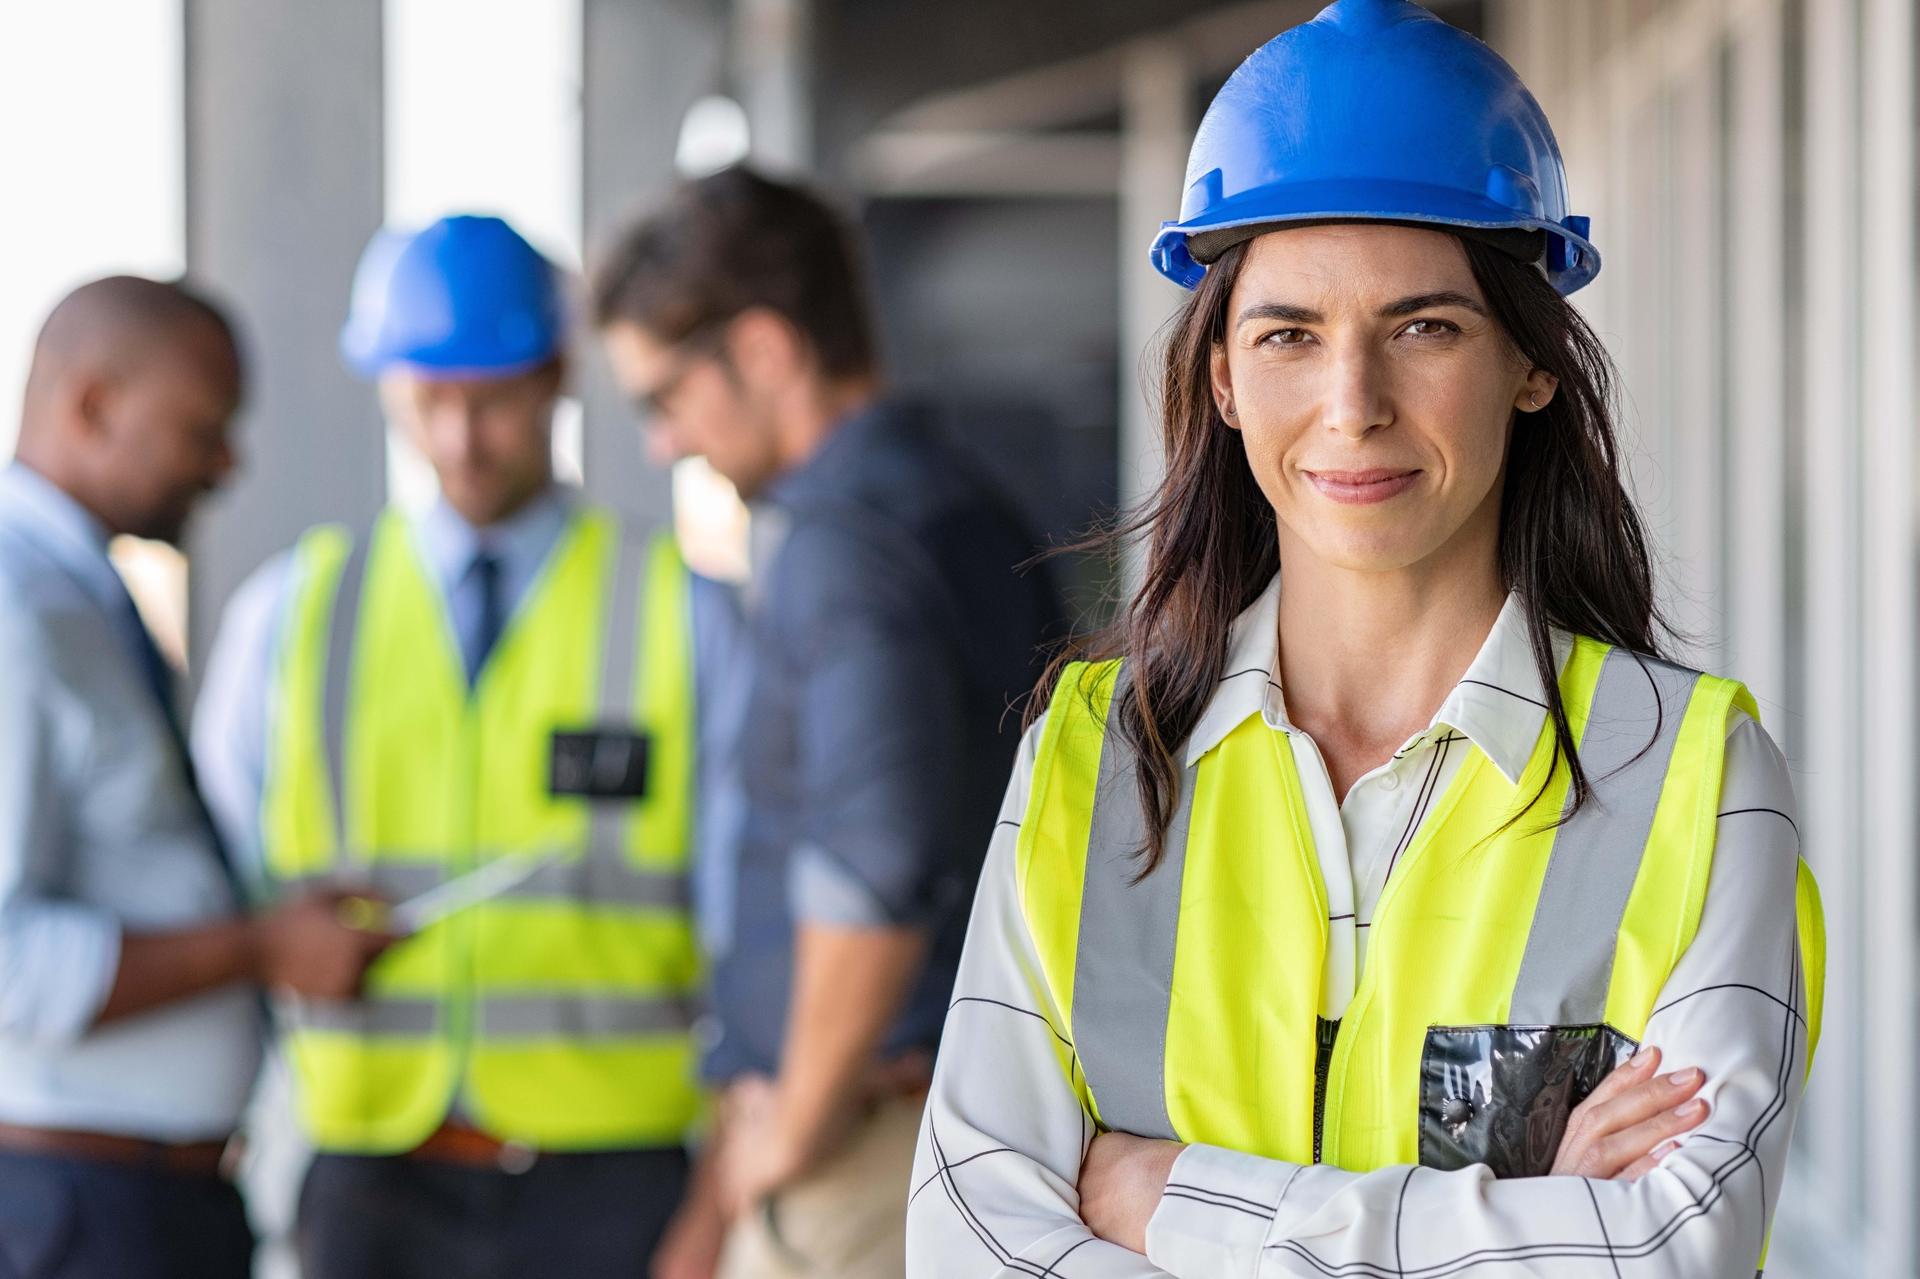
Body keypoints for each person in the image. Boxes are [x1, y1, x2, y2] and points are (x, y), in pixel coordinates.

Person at [905, 2, 1827, 1276]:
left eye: (1425, 327)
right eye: (1289, 333)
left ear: (1532, 362)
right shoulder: (1090, 758)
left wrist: (1162, 1194)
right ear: (1222, 377)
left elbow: (1670, 1253)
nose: (1352, 406)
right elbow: (967, 1242)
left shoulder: (1696, 781)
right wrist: (1516, 1220)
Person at [193, 215, 718, 1277]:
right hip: (372, 1175)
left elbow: (753, 921)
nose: (461, 439)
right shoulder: (294, 615)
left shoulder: (680, 611)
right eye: (428, 401)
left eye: (494, 401)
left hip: (613, 1177)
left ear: (557, 378)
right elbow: (219, 899)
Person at [592, 167, 1061, 1279]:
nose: (663, 442)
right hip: (938, 1117)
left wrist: (792, 1127)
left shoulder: (846, 541)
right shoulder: (951, 498)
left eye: (664, 397)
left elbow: (873, 865)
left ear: (761, 350)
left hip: (867, 1146)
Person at [0, 276, 391, 1279]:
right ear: (93, 406)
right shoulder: (14, 615)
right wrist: (258, 947)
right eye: (203, 429)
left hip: (149, 1201)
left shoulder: (78, 601)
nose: (228, 463)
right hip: (80, 1210)